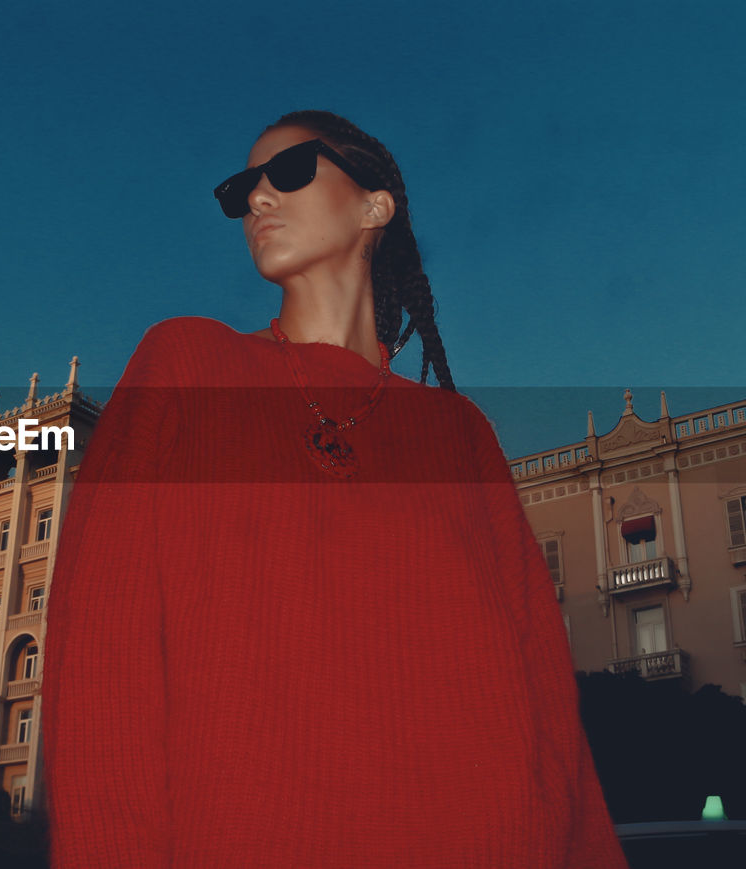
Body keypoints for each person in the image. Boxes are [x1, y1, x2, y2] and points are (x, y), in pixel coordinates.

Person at [41, 110, 627, 867]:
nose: (256, 199)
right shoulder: (186, 364)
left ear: (374, 206)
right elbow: (100, 659)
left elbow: (547, 702)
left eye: (287, 172)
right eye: (239, 189)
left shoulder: (460, 433)